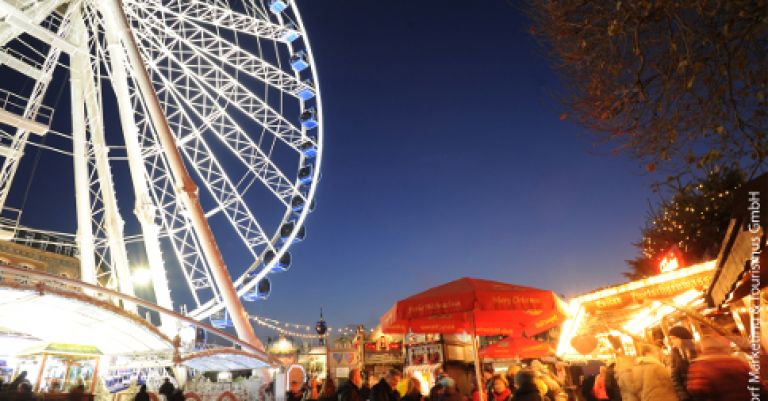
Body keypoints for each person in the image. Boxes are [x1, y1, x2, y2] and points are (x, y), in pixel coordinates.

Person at [686, 336, 763, 401]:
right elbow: (757, 383)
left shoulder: (700, 366)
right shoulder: (737, 362)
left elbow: (696, 390)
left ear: (701, 348)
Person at [667, 326, 696, 401]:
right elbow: (675, 377)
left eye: (674, 338)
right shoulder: (675, 353)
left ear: (682, 337)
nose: (672, 341)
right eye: (671, 339)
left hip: (702, 392)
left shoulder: (696, 349)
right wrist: (683, 395)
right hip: (687, 395)